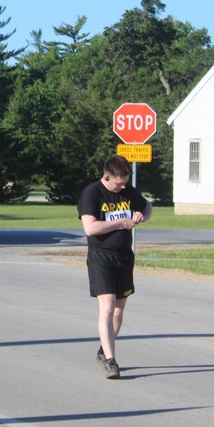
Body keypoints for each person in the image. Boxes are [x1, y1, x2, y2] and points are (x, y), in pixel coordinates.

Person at [77, 154, 153, 379]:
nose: (123, 186)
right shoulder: (92, 193)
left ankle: (104, 350)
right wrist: (120, 222)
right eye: (119, 183)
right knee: (107, 305)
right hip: (101, 256)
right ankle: (111, 360)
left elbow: (147, 206)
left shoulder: (129, 192)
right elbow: (90, 228)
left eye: (126, 182)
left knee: (119, 309)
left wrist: (142, 216)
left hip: (124, 257)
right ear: (107, 177)